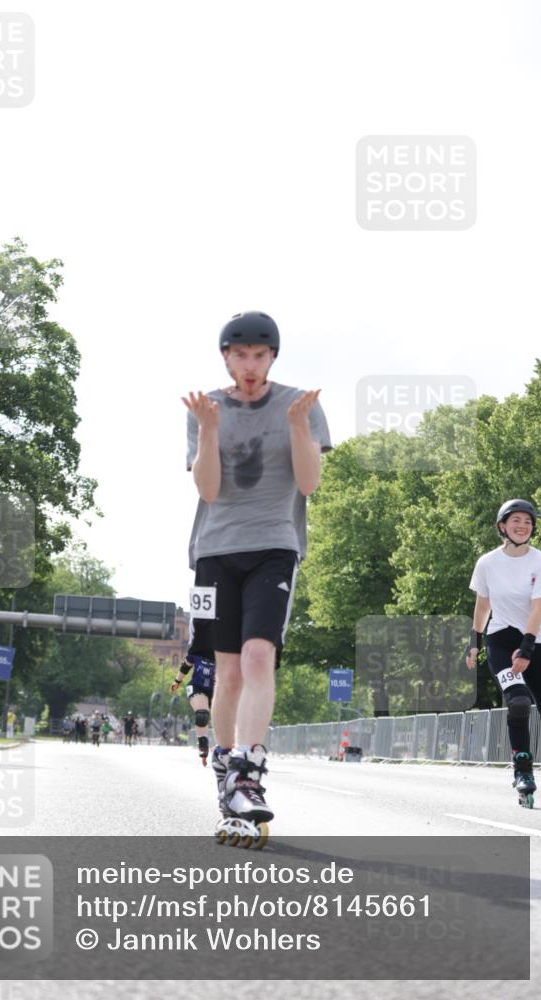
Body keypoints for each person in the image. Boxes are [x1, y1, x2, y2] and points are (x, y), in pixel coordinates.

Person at [182, 311, 331, 844]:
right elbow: (208, 491)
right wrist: (208, 430)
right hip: (216, 550)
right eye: (240, 355)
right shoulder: (208, 408)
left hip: (275, 546)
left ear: (272, 358)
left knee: (259, 655)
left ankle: (248, 769)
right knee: (228, 674)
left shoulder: (301, 407)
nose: (250, 365)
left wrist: (296, 427)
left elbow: (309, 484)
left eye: (259, 356)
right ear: (225, 356)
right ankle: (226, 771)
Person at [466, 499, 541, 807]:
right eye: (516, 521)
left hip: (536, 641)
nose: (522, 526)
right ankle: (523, 772)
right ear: (503, 526)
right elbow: (483, 604)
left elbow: (538, 607)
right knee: (517, 703)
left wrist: (527, 647)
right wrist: (474, 638)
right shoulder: (487, 562)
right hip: (500, 640)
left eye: (528, 522)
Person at [171, 652, 216, 765]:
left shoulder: (226, 646)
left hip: (219, 688)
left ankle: (224, 747)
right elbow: (186, 666)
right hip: (197, 687)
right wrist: (177, 681)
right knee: (202, 715)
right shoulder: (198, 646)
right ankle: (203, 744)